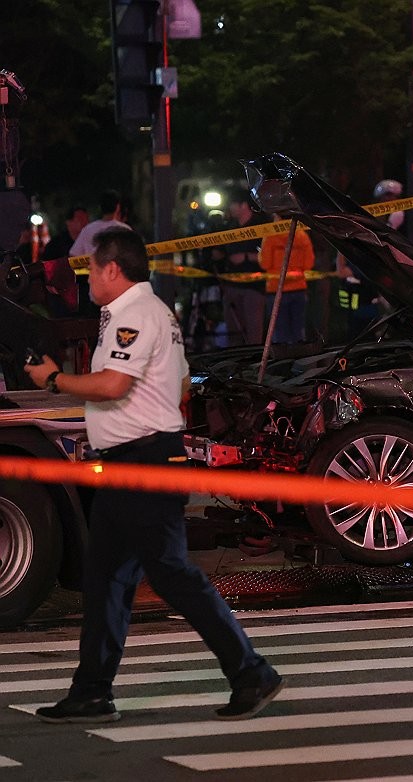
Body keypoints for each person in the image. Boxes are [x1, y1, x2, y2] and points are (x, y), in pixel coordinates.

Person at [23, 228, 283, 723]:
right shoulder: (142, 314)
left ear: (113, 270)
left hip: (145, 462)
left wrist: (54, 380)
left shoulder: (137, 315)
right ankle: (92, 692)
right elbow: (180, 380)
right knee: (105, 579)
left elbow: (114, 384)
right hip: (132, 461)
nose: (89, 278)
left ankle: (252, 673)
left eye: (92, 270)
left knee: (169, 572)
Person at [213, 189, 267, 346]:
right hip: (232, 286)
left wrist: (245, 257)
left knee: (253, 333)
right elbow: (220, 252)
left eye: (233, 204)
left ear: (244, 205)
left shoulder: (261, 227)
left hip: (254, 287)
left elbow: (270, 256)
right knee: (233, 332)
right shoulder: (229, 227)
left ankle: (255, 366)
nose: (230, 208)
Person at [259, 213, 315, 344]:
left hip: (276, 290)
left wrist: (259, 255)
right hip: (299, 289)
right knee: (298, 332)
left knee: (279, 333)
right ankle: (301, 360)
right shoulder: (302, 235)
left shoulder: (270, 236)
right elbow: (309, 264)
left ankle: (282, 362)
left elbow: (265, 263)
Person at [38, 204, 88, 315]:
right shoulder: (55, 244)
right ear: (69, 222)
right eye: (80, 219)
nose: (84, 223)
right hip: (62, 296)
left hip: (86, 293)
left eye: (86, 219)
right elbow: (47, 268)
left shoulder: (90, 242)